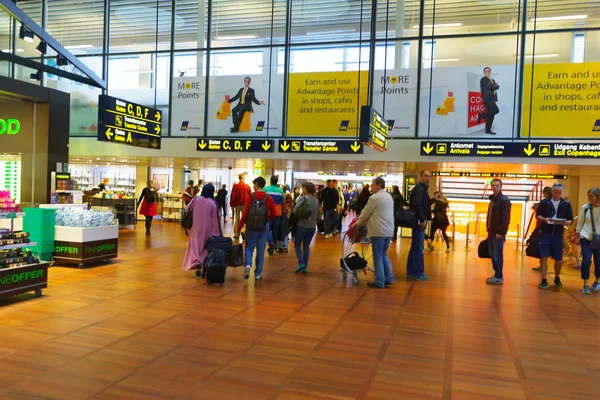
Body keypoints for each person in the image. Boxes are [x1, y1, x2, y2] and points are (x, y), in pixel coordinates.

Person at [356, 177, 395, 289]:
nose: (371, 187)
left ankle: (379, 281)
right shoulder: (388, 196)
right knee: (383, 254)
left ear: (378, 185)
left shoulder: (374, 198)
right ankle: (389, 278)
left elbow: (365, 213)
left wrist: (358, 223)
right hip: (388, 230)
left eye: (372, 185)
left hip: (378, 231)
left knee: (377, 256)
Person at [237, 177, 277, 281]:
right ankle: (258, 273)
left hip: (251, 226)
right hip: (264, 227)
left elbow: (245, 214)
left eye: (254, 184)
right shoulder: (268, 198)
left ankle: (248, 264)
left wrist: (240, 227)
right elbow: (274, 214)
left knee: (249, 247)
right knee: (260, 250)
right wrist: (266, 219)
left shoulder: (250, 196)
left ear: (257, 184)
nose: (253, 186)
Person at [535, 183, 573, 289]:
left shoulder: (566, 204)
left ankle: (557, 277)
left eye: (559, 193)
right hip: (545, 233)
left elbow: (570, 219)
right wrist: (544, 219)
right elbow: (538, 216)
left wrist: (567, 223)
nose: (557, 194)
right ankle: (543, 279)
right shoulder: (545, 202)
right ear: (552, 192)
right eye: (555, 192)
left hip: (558, 233)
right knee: (543, 257)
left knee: (558, 259)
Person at [181, 184, 221, 272]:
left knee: (195, 245)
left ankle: (196, 261)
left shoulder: (196, 199)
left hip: (195, 227)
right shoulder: (212, 203)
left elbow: (187, 209)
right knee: (205, 247)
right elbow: (215, 219)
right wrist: (217, 233)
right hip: (207, 229)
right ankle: (203, 263)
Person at [406, 171, 432, 281]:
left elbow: (424, 204)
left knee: (415, 246)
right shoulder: (419, 189)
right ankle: (419, 272)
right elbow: (418, 205)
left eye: (430, 176)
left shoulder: (422, 189)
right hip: (418, 221)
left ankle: (411, 271)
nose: (428, 178)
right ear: (421, 177)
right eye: (426, 176)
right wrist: (422, 219)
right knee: (419, 248)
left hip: (418, 220)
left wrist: (434, 199)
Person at [485, 179, 511, 285]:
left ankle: (499, 276)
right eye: (493, 185)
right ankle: (497, 274)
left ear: (501, 187)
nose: (495, 187)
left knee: (497, 254)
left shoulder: (504, 200)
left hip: (497, 233)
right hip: (491, 231)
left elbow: (505, 218)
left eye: (497, 185)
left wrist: (501, 232)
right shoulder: (493, 200)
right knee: (492, 253)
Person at [575, 188, 600, 295]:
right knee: (586, 261)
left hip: (598, 239)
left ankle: (597, 281)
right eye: (588, 196)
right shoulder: (585, 208)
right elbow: (581, 222)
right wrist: (577, 234)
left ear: (597, 197)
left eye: (591, 196)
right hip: (585, 237)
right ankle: (585, 284)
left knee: (598, 263)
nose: (589, 198)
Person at [293, 182, 320, 273]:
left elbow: (295, 210)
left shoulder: (303, 198)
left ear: (306, 189)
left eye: (303, 188)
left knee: (297, 244)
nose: (302, 190)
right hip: (312, 226)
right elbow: (318, 214)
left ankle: (301, 263)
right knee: (306, 246)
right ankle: (305, 267)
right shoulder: (316, 200)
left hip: (302, 225)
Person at [531, 186, 553, 271]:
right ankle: (542, 265)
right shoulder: (547, 202)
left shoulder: (546, 203)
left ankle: (543, 266)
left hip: (544, 229)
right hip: (546, 228)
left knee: (543, 247)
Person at [264, 176, 285, 254]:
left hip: (267, 211)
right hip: (277, 212)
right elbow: (283, 201)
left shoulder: (265, 189)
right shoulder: (281, 191)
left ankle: (270, 243)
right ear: (277, 182)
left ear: (270, 181)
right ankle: (273, 247)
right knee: (275, 229)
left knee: (267, 228)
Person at [479, 66, 500, 135]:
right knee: (495, 111)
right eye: (486, 71)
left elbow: (497, 86)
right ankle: (482, 115)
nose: (487, 72)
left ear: (490, 72)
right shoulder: (483, 79)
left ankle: (488, 130)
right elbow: (491, 86)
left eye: (488, 71)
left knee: (491, 115)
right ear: (484, 72)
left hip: (492, 99)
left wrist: (494, 85)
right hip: (487, 99)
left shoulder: (492, 80)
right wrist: (494, 85)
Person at [230, 174, 252, 240]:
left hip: (237, 204)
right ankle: (243, 231)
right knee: (244, 218)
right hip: (245, 204)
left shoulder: (235, 186)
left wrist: (232, 205)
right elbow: (250, 196)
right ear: (244, 178)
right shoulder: (247, 186)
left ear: (239, 178)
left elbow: (232, 195)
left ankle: (236, 233)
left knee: (237, 219)